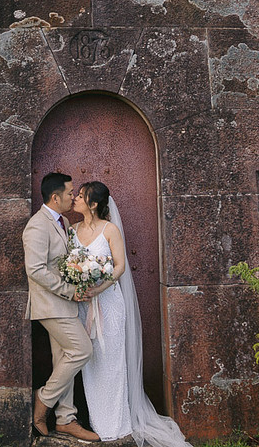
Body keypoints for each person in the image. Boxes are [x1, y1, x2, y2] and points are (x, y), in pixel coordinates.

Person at [72, 181, 192, 447]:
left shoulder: (110, 229)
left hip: (109, 304)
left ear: (94, 204)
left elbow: (120, 266)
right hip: (83, 305)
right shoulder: (71, 231)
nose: (75, 199)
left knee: (111, 362)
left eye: (81, 196)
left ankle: (115, 425)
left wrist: (99, 287)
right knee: (90, 362)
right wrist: (79, 287)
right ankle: (97, 421)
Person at [22, 172, 100, 442]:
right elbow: (35, 269)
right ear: (55, 197)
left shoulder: (64, 221)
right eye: (69, 193)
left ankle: (66, 418)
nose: (72, 196)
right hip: (50, 305)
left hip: (65, 304)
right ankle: (43, 399)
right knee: (82, 350)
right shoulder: (37, 225)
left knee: (64, 360)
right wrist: (70, 290)